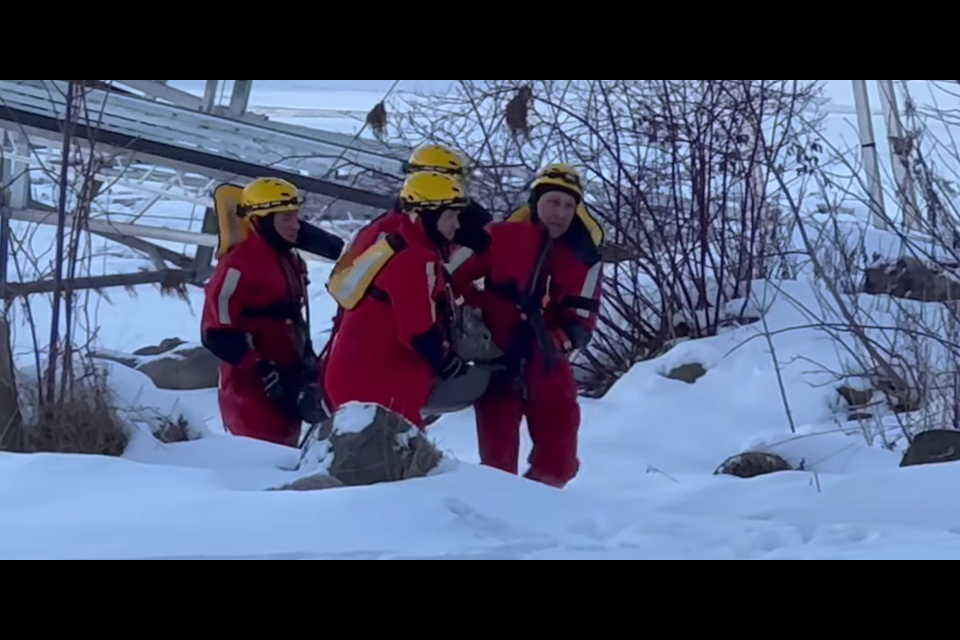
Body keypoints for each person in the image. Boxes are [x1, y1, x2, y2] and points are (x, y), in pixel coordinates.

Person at [445, 163, 605, 488]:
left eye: (568, 205)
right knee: (497, 463)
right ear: (535, 202)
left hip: (547, 366)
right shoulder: (498, 237)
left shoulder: (585, 258)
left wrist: (554, 345)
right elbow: (448, 276)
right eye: (552, 202)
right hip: (495, 362)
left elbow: (582, 323)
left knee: (559, 462)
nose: (559, 212)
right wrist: (470, 315)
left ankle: (537, 511)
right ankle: (497, 515)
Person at [322, 171, 490, 427]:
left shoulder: (401, 246)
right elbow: (419, 334)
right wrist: (452, 365)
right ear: (427, 216)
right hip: (379, 390)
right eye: (451, 216)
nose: (457, 225)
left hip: (367, 385)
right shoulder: (415, 259)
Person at [201, 177, 324, 447]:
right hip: (252, 390)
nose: (295, 226)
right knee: (261, 459)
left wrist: (308, 360)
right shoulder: (237, 266)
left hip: (291, 380)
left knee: (286, 450)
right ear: (261, 220)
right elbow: (216, 333)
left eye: (295, 217)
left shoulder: (290, 259)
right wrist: (260, 367)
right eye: (285, 219)